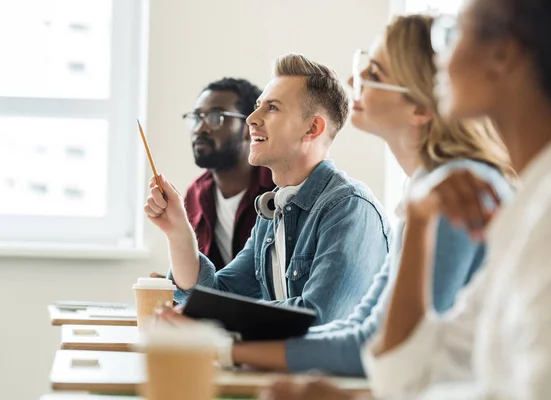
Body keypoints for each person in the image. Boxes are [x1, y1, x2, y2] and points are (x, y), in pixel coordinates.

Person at [264, 0, 551, 398]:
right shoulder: (532, 200)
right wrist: (420, 220)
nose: (440, 58)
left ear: (503, 55)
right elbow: (410, 372)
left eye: (452, 34)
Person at [191, 14, 513, 375]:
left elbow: (376, 345)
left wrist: (228, 351)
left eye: (373, 74)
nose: (351, 81)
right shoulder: (427, 191)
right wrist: (227, 347)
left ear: (421, 108)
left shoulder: (455, 193)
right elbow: (361, 329)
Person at [146, 53, 391, 326]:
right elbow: (214, 295)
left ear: (312, 128)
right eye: (257, 106)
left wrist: (221, 315)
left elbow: (317, 318)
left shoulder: (349, 209)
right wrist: (178, 231)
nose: (251, 118)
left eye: (272, 108)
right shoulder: (273, 213)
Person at [181, 78, 274, 270]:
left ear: (250, 127)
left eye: (216, 117)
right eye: (197, 118)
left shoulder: (278, 189)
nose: (200, 129)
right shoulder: (195, 194)